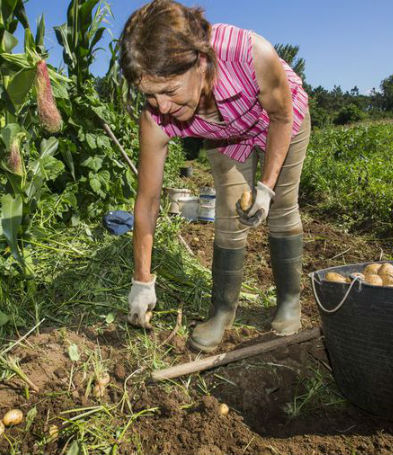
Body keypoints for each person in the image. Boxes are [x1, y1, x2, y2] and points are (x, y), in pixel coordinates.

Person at [119, 0, 310, 353]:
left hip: (280, 120)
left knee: (282, 205)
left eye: (170, 90)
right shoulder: (157, 118)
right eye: (150, 95)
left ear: (201, 62)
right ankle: (222, 312)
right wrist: (141, 280)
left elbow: (281, 118)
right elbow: (147, 202)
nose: (161, 107)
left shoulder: (251, 54)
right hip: (225, 133)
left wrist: (266, 188)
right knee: (229, 213)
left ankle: (289, 301)